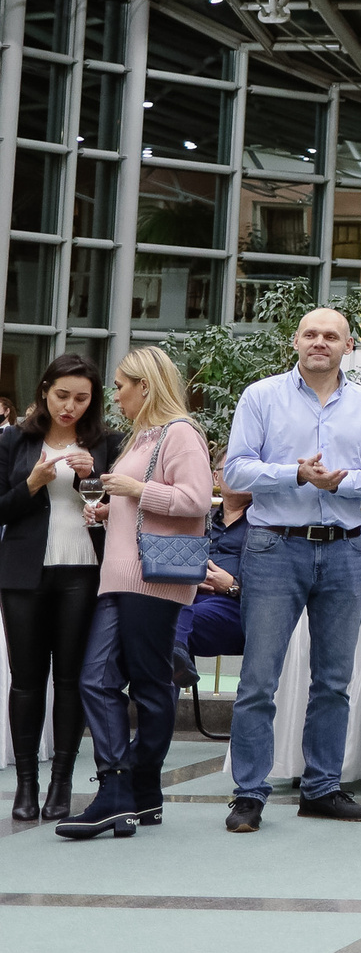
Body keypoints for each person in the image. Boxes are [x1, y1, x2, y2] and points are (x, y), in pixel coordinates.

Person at [221, 308, 361, 832]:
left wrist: (338, 484)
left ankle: (321, 788)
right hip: (275, 548)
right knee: (258, 679)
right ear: (296, 341)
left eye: (331, 335)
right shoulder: (261, 396)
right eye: (311, 334)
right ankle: (249, 795)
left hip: (344, 551)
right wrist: (296, 474)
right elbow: (235, 468)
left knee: (334, 681)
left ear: (349, 346)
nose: (320, 342)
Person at [57, 348, 210, 841]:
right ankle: (123, 787)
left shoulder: (180, 432)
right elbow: (146, 501)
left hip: (152, 578)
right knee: (96, 680)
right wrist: (111, 510)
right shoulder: (144, 436)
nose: (115, 393)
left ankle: (135, 788)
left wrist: (135, 491)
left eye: (122, 384)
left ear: (146, 386)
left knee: (147, 683)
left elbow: (195, 501)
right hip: (123, 576)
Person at [1, 354, 118, 821]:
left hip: (84, 571)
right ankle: (26, 784)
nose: (70, 406)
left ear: (93, 401)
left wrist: (95, 478)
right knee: (27, 682)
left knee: (71, 680)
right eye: (62, 395)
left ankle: (62, 783)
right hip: (23, 572)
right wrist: (31, 483)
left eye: (81, 398)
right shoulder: (14, 439)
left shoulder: (107, 443)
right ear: (44, 391)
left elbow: (122, 508)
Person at [175, 477, 250, 689]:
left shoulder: (264, 523)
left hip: (235, 605)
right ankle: (175, 656)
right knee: (156, 613)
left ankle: (176, 652)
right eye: (233, 468)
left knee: (167, 624)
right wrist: (191, 577)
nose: (242, 475)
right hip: (190, 598)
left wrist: (234, 585)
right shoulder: (200, 518)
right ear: (216, 477)